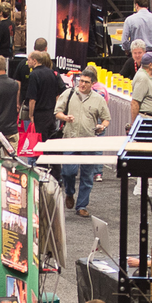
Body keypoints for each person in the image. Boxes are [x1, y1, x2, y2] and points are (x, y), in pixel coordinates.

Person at [54, 71, 110, 214]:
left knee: (87, 175)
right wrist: (65, 118)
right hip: (70, 139)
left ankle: (82, 206)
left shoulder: (98, 99)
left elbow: (106, 118)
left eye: (86, 82)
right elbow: (57, 112)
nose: (83, 84)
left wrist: (102, 126)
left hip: (89, 140)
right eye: (81, 81)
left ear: (93, 84)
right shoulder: (69, 93)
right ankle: (70, 192)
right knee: (67, 172)